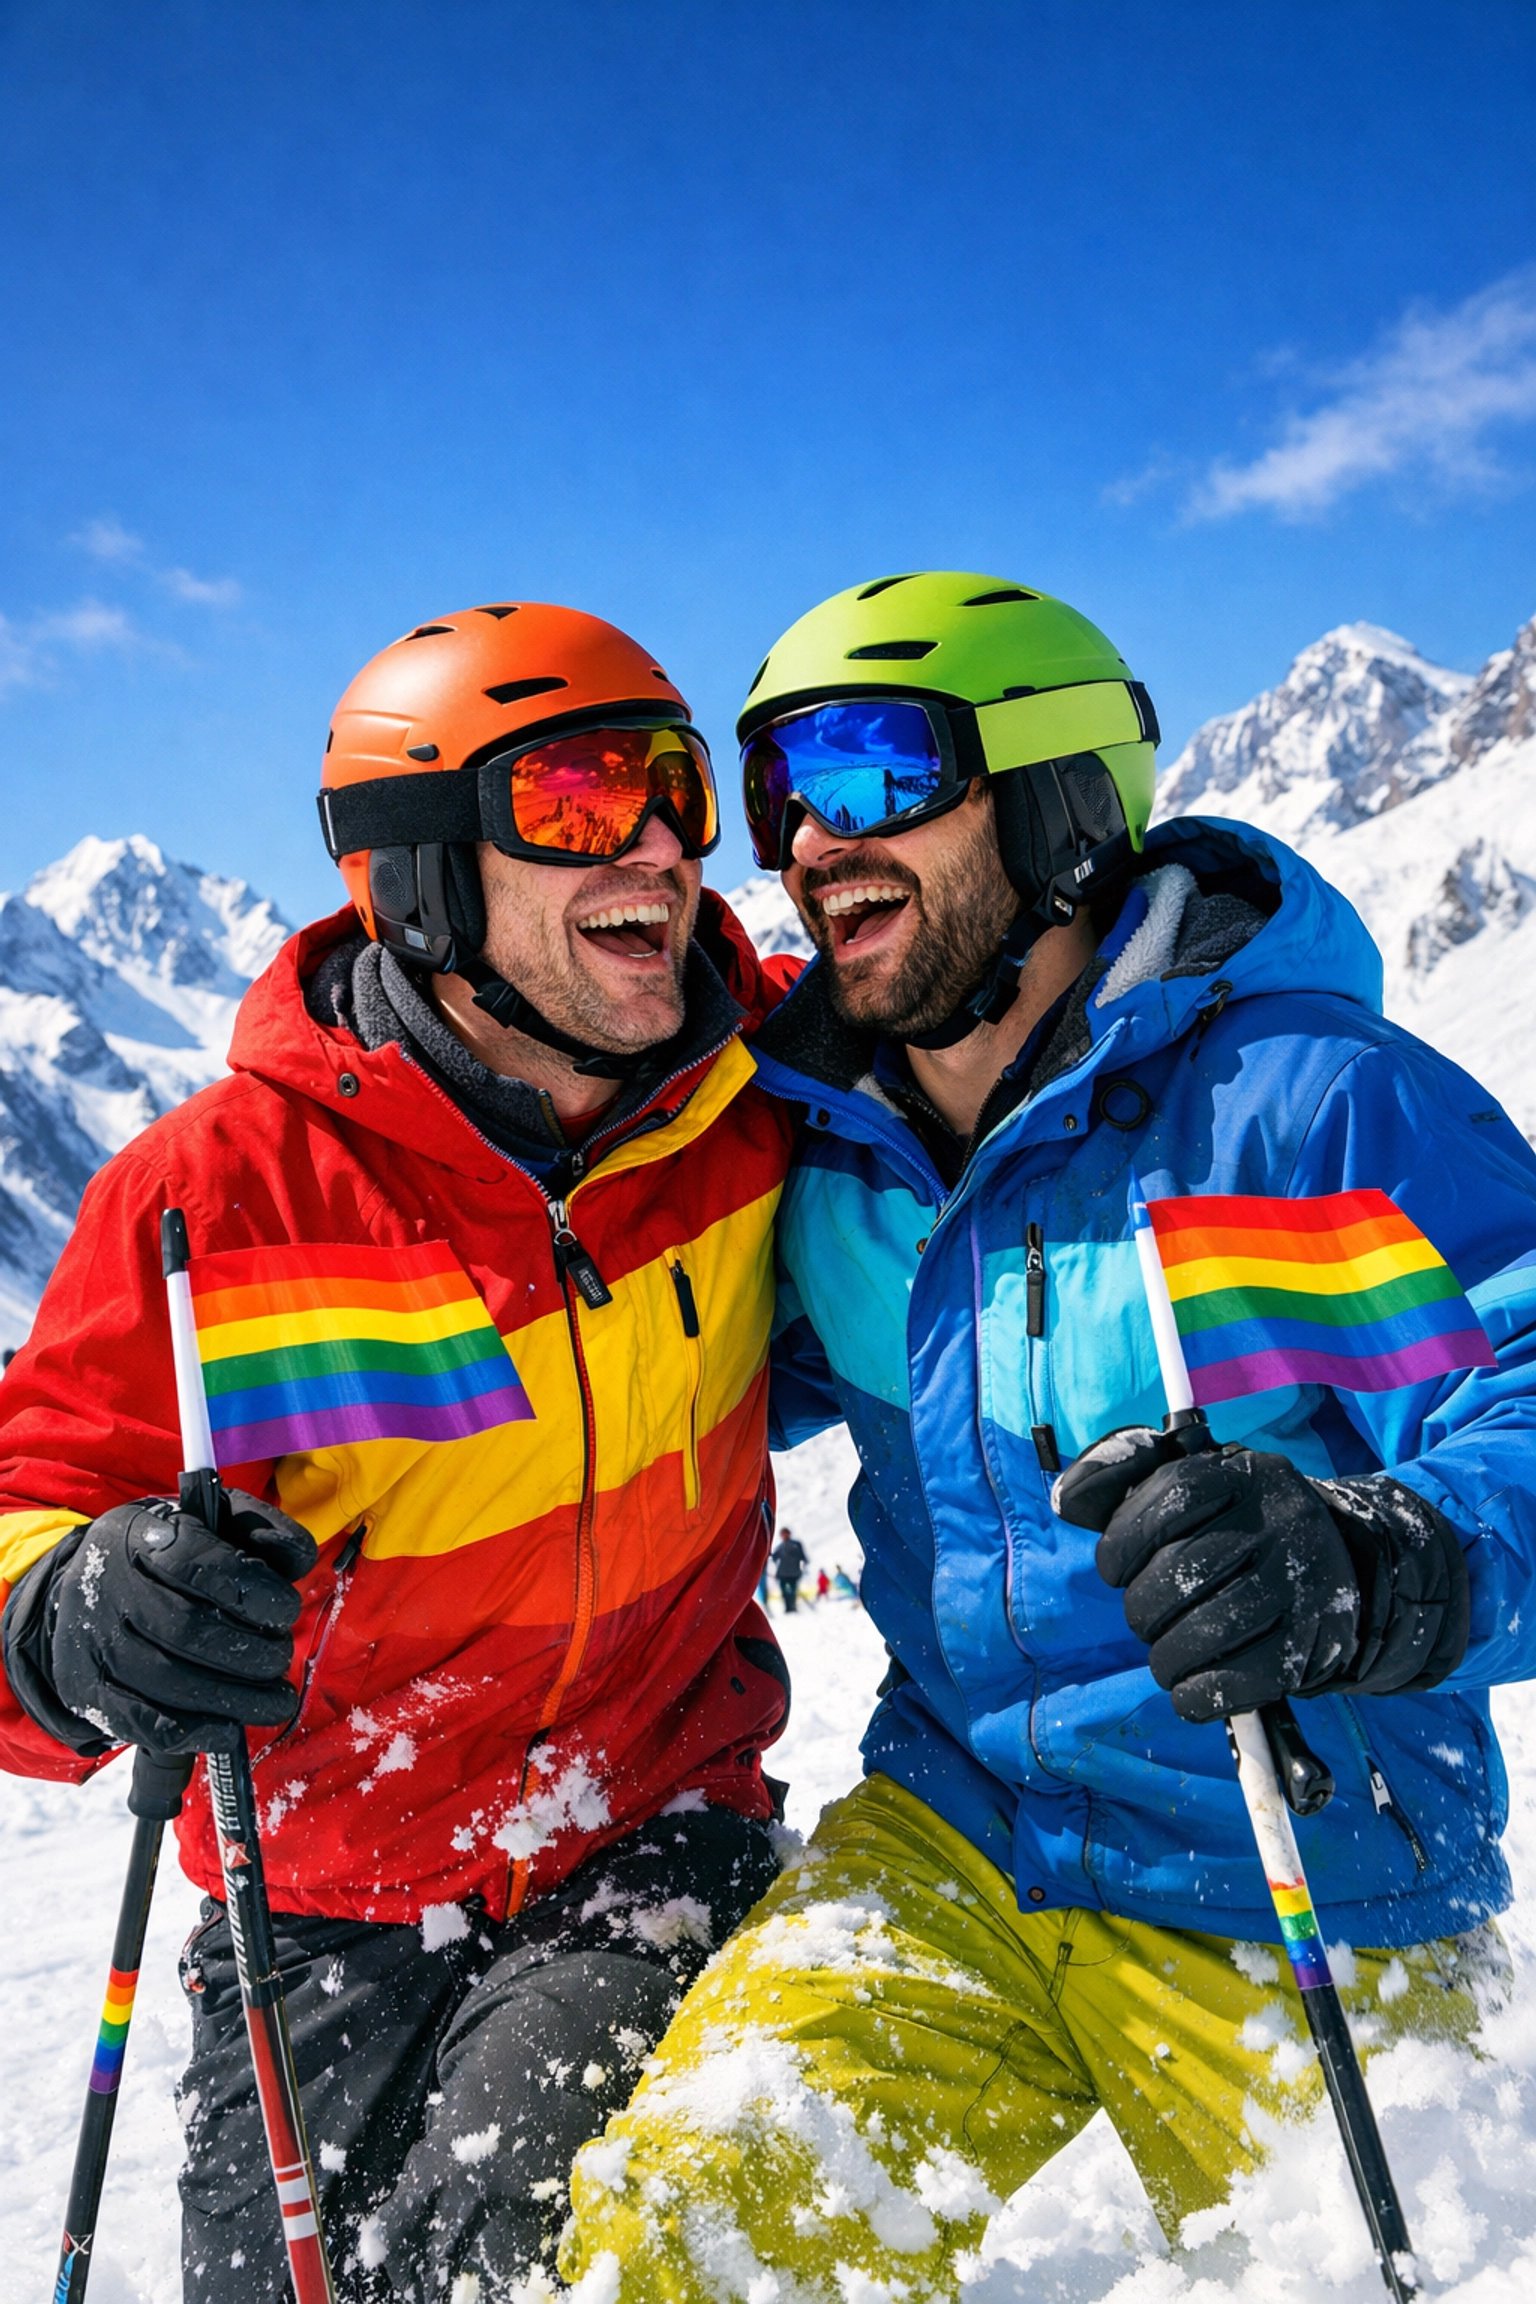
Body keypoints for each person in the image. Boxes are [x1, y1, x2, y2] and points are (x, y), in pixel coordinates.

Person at [561, 572, 1536, 2297]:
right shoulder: (828, 1157)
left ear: (1061, 794)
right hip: (966, 1824)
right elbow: (628, 1372)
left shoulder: (1302, 1105)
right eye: (776, 789)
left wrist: (1371, 1559)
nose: (805, 841)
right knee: (680, 2226)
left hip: (1297, 1848)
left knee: (1395, 2270)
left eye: (869, 773)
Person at [0, 603, 802, 2301]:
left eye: (675, 787)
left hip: (647, 1820)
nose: (658, 842)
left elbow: (1001, 994)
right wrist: (70, 1612)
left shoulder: (756, 1090)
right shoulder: (214, 1197)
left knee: (504, 2242)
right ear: (420, 877)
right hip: (322, 1893)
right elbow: (31, 1495)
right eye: (582, 800)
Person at [771, 1525, 808, 1613]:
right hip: (783, 1573)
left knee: (791, 1591)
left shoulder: (795, 1545)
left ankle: (792, 1607)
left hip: (792, 1573)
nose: (783, 1536)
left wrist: (802, 1568)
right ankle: (788, 1607)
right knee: (785, 1592)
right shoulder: (780, 1547)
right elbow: (773, 1558)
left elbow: (803, 1558)